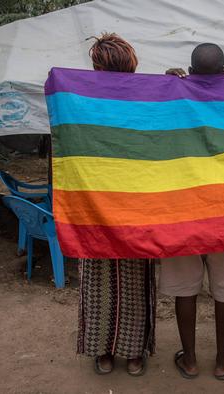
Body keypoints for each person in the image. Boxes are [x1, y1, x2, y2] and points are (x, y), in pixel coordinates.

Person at [161, 43, 224, 381]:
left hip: (184, 212)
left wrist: (167, 84)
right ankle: (223, 360)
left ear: (190, 72)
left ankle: (191, 359)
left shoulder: (175, 99)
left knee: (185, 289)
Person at [76, 33, 155, 377]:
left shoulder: (146, 99)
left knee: (116, 280)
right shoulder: (81, 100)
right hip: (98, 201)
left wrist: (175, 87)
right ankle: (115, 350)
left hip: (131, 202)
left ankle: (121, 351)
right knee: (109, 279)